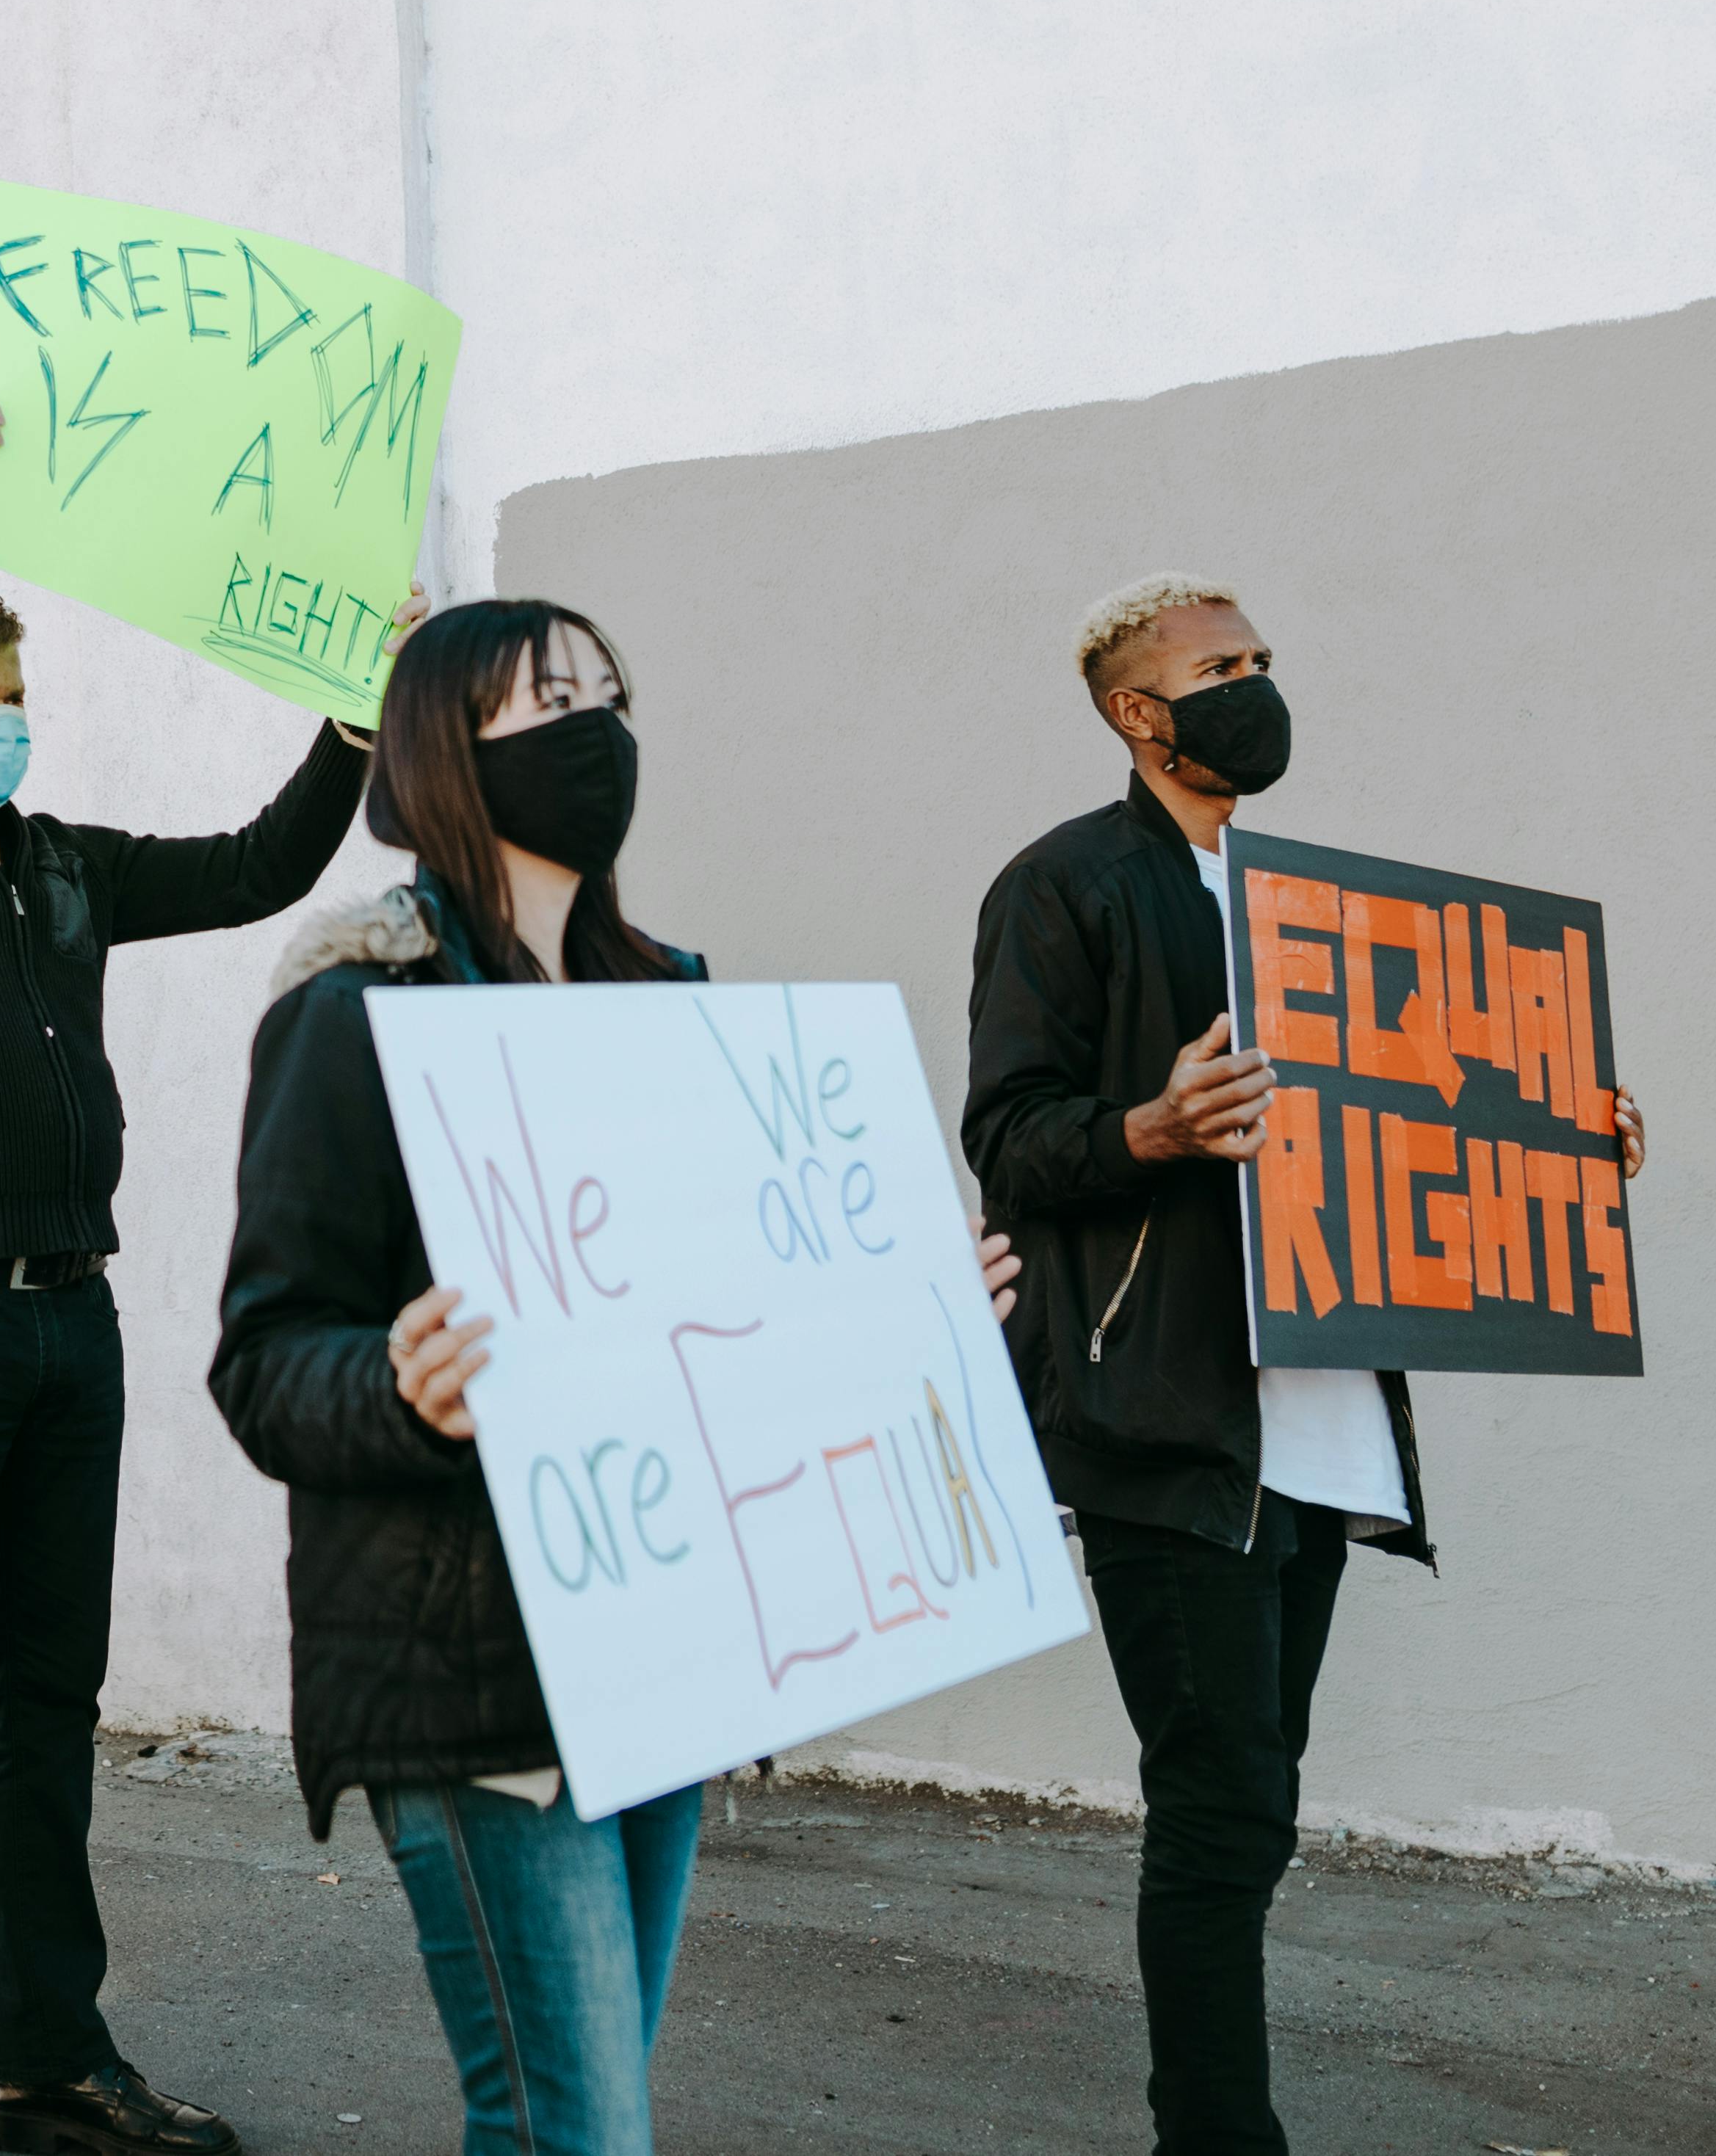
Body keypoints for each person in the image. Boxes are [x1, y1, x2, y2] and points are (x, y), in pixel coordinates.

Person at [209, 600, 1021, 2156]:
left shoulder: (673, 1006)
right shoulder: (355, 1009)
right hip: (469, 1674)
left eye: (609, 696)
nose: (597, 731)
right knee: (573, 2123)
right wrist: (398, 1386)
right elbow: (263, 1358)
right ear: (449, 746)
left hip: (662, 1643)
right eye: (548, 703)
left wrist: (916, 1318)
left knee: (580, 2115)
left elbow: (734, 1328)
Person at [0, 374, 399, 2156]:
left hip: (69, 1333)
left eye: (13, 701)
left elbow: (265, 864)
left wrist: (354, 711)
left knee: (48, 1707)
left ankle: (52, 2052)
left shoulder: (62, 869)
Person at [961, 575, 1643, 2156]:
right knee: (1223, 1805)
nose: (1253, 688)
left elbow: (1429, 1118)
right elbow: (1006, 1137)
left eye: (1262, 661)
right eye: (1218, 669)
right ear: (1139, 714)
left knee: (1247, 1804)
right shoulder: (1062, 887)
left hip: (1324, 1415)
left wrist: (1564, 1138)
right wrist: (1154, 1122)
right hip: (1166, 1417)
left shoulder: (1320, 911)